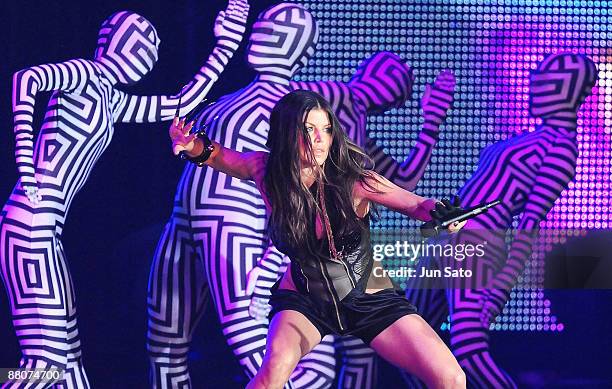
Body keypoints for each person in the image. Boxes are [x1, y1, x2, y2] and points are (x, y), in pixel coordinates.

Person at [0, 2, 248, 388]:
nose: (150, 55)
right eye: (146, 43)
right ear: (117, 42)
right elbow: (26, 80)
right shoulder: (84, 74)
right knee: (46, 361)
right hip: (30, 225)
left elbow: (179, 103)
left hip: (44, 231)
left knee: (68, 358)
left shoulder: (110, 98)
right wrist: (23, 155)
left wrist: (224, 48)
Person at [170, 89, 467, 389]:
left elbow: (417, 205)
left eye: (325, 129)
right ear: (288, 133)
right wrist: (189, 144)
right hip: (305, 299)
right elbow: (219, 156)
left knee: (452, 379)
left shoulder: (357, 181)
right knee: (271, 376)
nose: (320, 139)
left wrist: (443, 215)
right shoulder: (267, 172)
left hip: (370, 297)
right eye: (309, 130)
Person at [402, 52, 599, 388]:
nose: (534, 83)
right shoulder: (539, 138)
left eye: (545, 77)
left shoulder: (560, 148)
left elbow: (531, 222)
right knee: (407, 343)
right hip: (448, 238)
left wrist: (502, 287)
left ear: (564, 88)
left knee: (468, 348)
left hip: (476, 243)